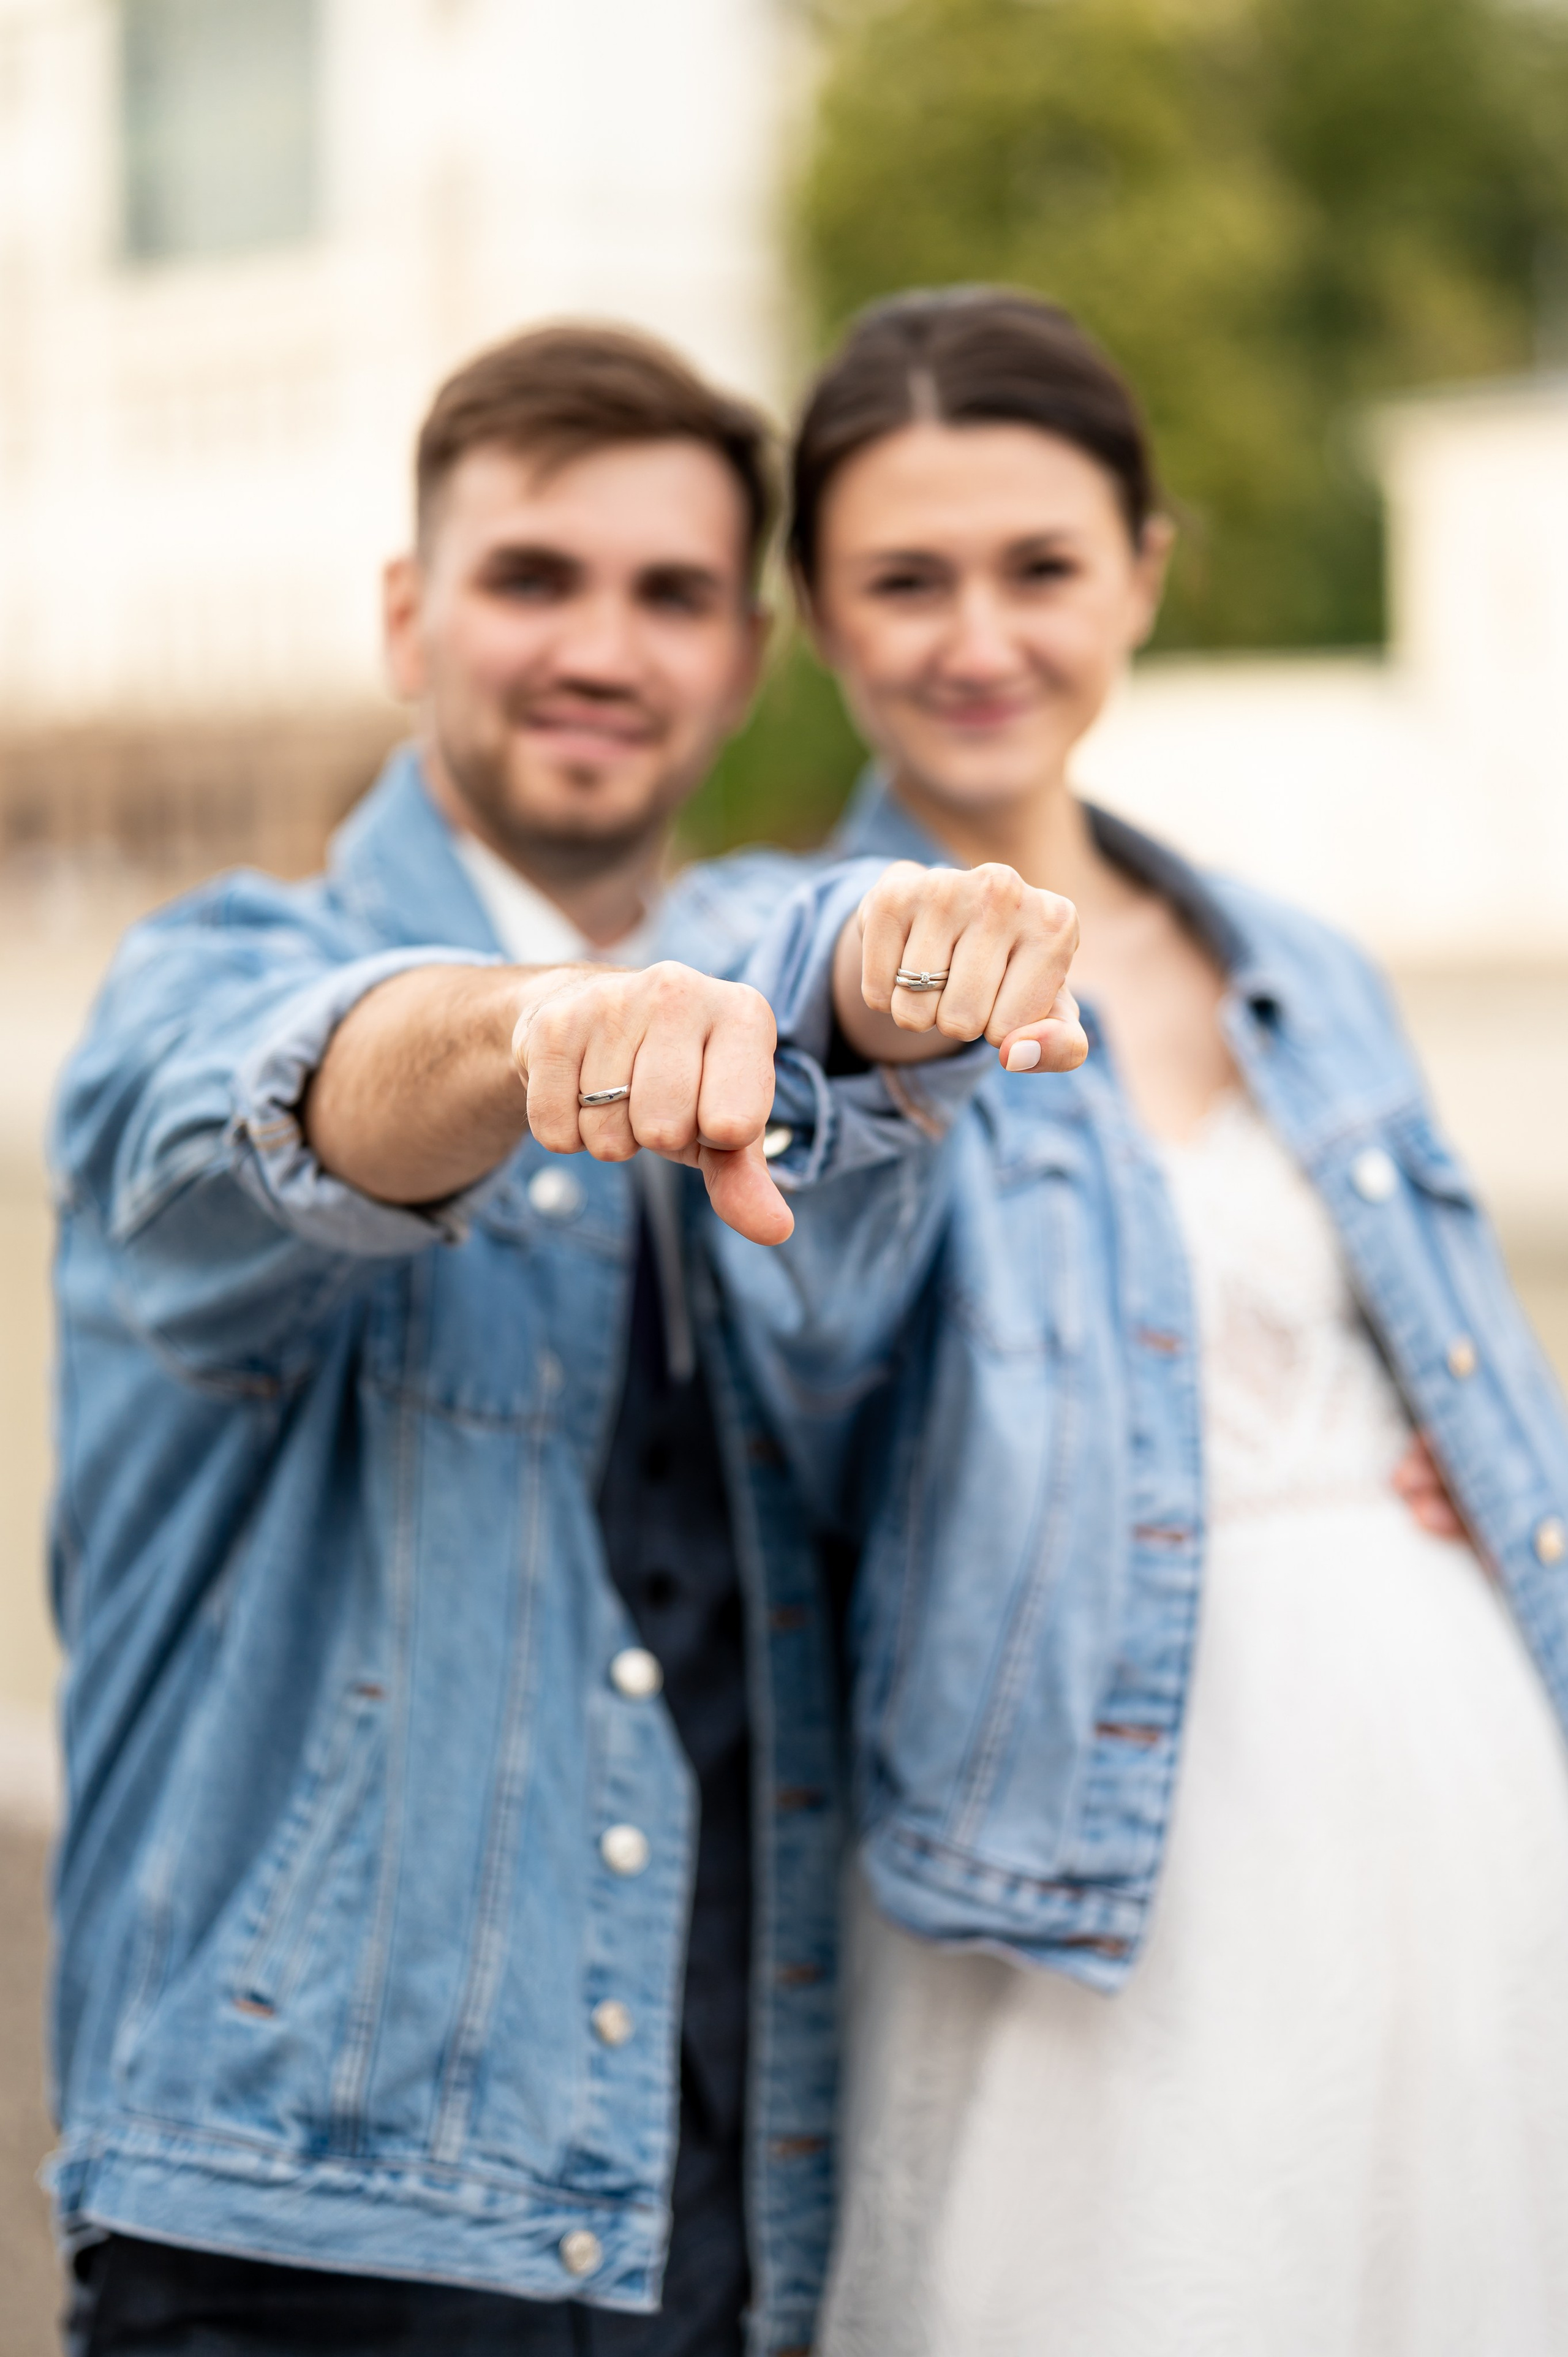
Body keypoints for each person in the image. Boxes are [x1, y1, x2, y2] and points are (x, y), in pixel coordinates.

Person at [46, 321, 1084, 2357]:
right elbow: (305, 1094)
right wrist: (526, 1033)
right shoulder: (210, 970)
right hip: (297, 2237)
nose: (602, 645)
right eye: (535, 577)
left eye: (673, 593)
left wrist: (874, 997)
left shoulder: (755, 972)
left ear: (746, 658)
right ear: (408, 616)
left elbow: (832, 1007)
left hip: (718, 2213)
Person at [758, 287, 1568, 2356]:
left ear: (1143, 570)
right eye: (905, 580)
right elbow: (805, 1359)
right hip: (1076, 1853)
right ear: (823, 619)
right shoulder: (770, 962)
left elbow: (1452, 1351)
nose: (978, 638)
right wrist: (873, 1026)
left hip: (1452, 1778)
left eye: (1040, 567)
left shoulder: (1291, 952)